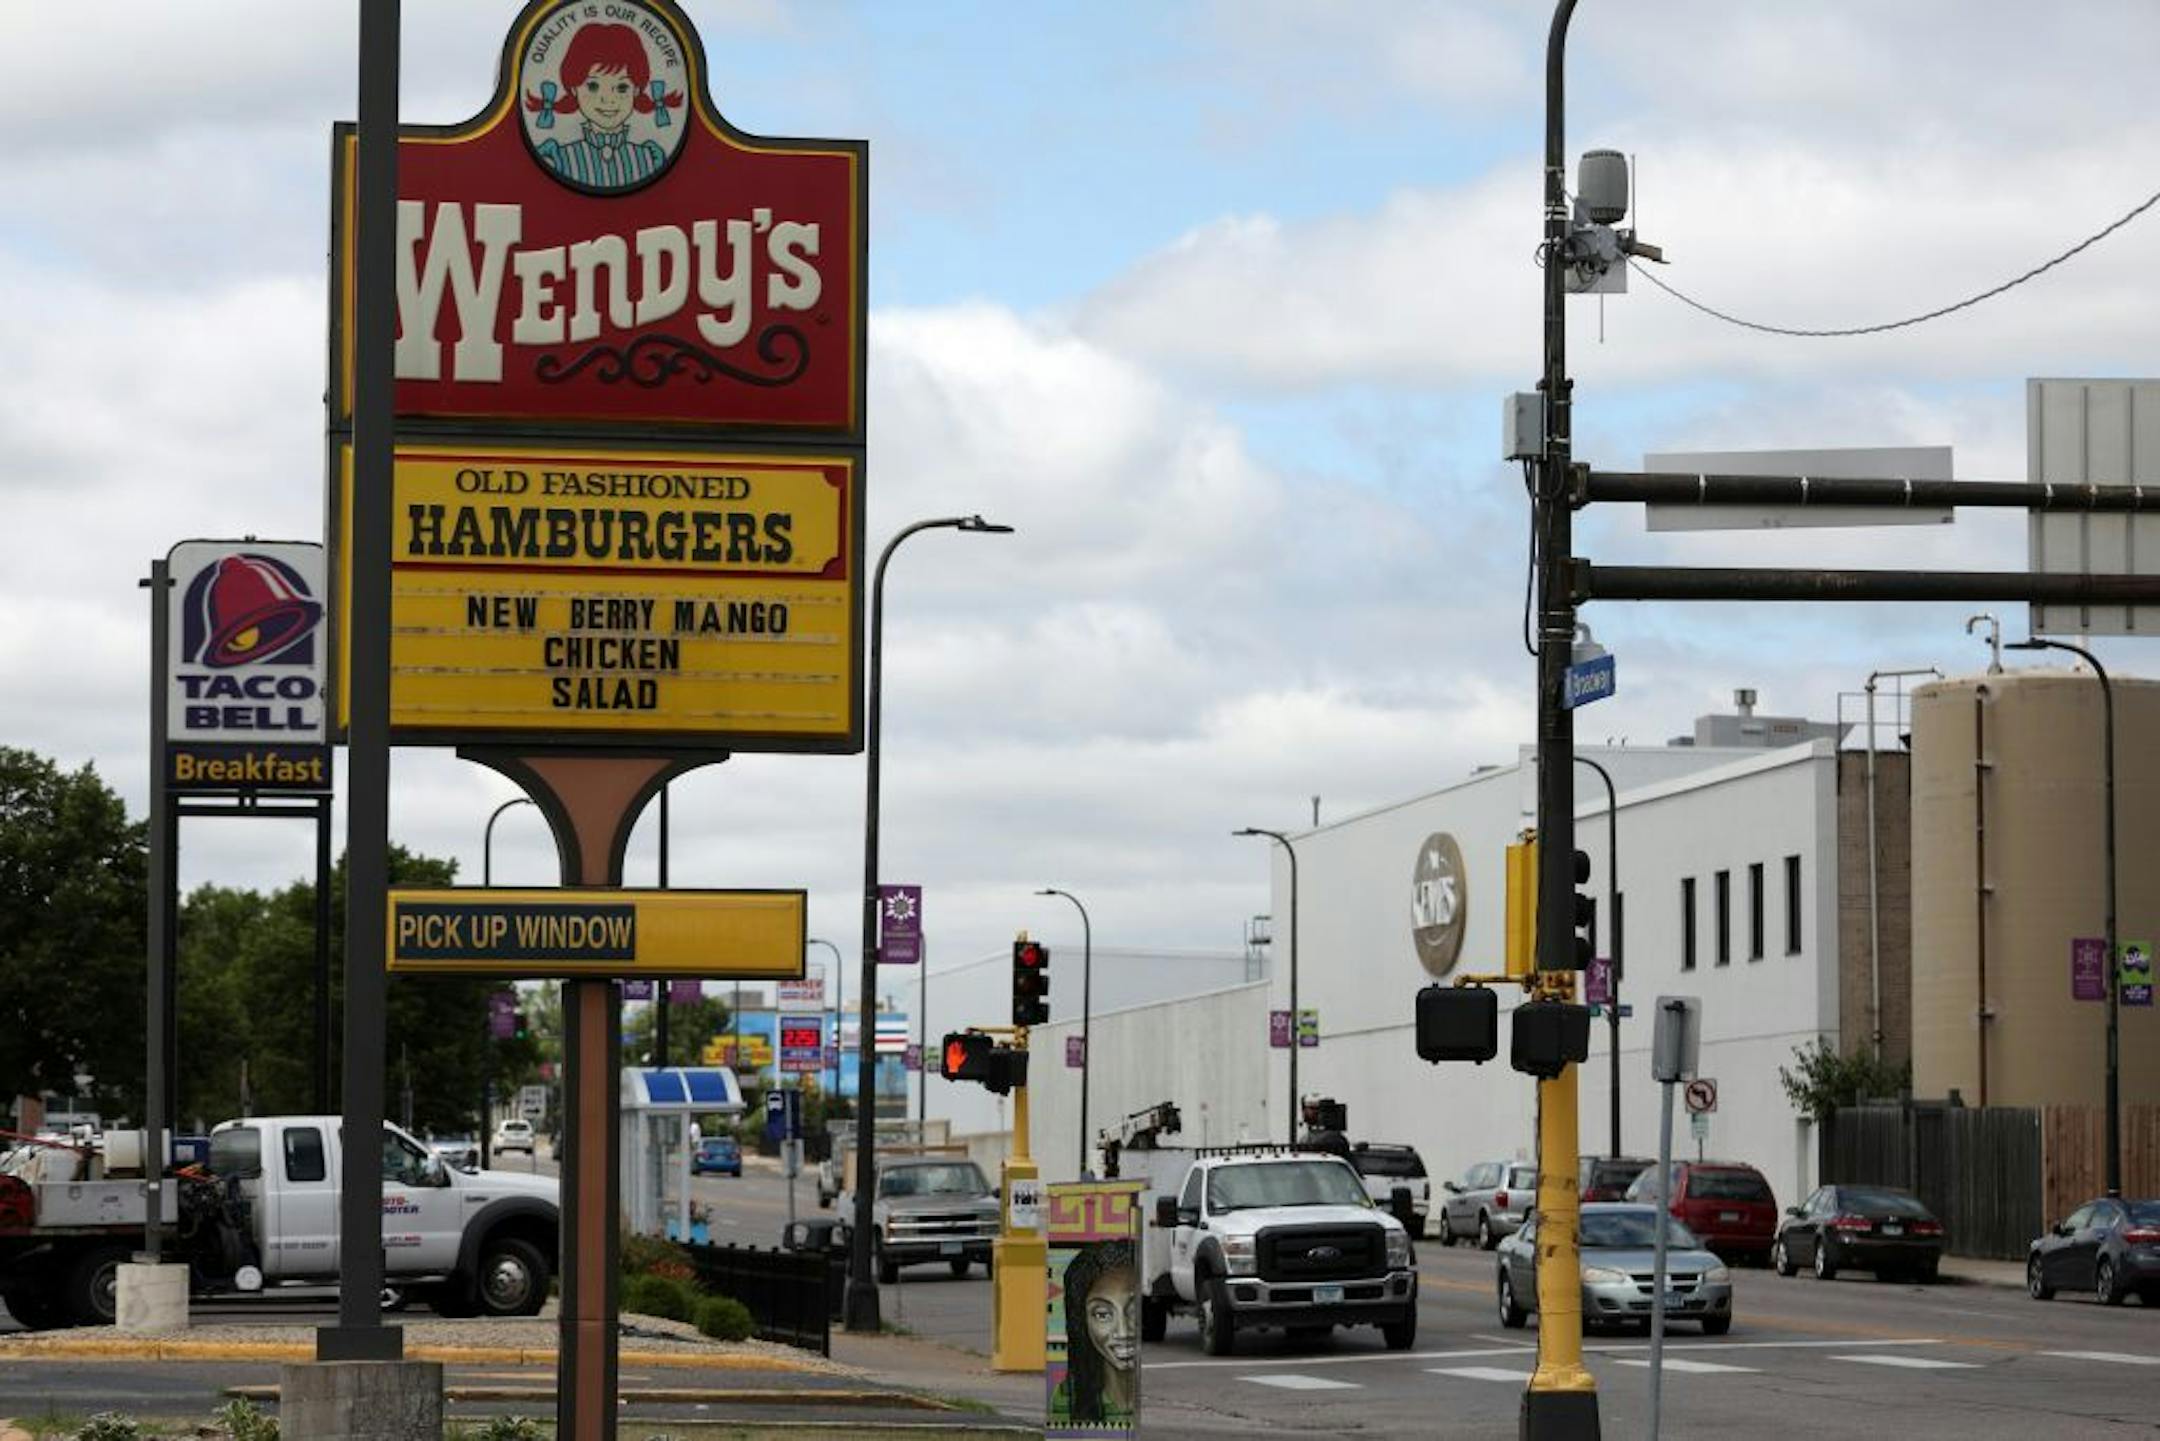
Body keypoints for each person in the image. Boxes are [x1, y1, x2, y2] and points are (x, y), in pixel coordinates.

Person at [524, 23, 682, 191]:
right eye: (593, 86)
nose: (608, 100)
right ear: (573, 88)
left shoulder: (649, 157)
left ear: (636, 90)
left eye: (622, 88)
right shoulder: (559, 157)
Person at [1053, 1239, 1139, 1426]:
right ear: (1082, 1321)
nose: (1123, 1332)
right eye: (1102, 1314)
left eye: (1135, 1311)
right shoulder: (1066, 1398)